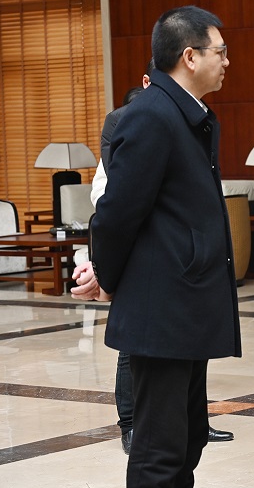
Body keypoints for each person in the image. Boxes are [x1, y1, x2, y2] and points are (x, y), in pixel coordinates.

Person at [87, 5, 241, 488]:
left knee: (188, 440)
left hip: (186, 304)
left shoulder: (189, 113)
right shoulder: (151, 115)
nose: (227, 61)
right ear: (189, 56)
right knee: (158, 449)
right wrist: (106, 276)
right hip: (162, 309)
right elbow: (116, 212)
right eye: (220, 51)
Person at [72, 61, 234, 453]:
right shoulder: (128, 120)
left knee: (189, 346)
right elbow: (116, 200)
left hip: (179, 255)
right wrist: (105, 271)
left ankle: (193, 419)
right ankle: (131, 423)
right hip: (140, 247)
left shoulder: (195, 118)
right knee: (135, 345)